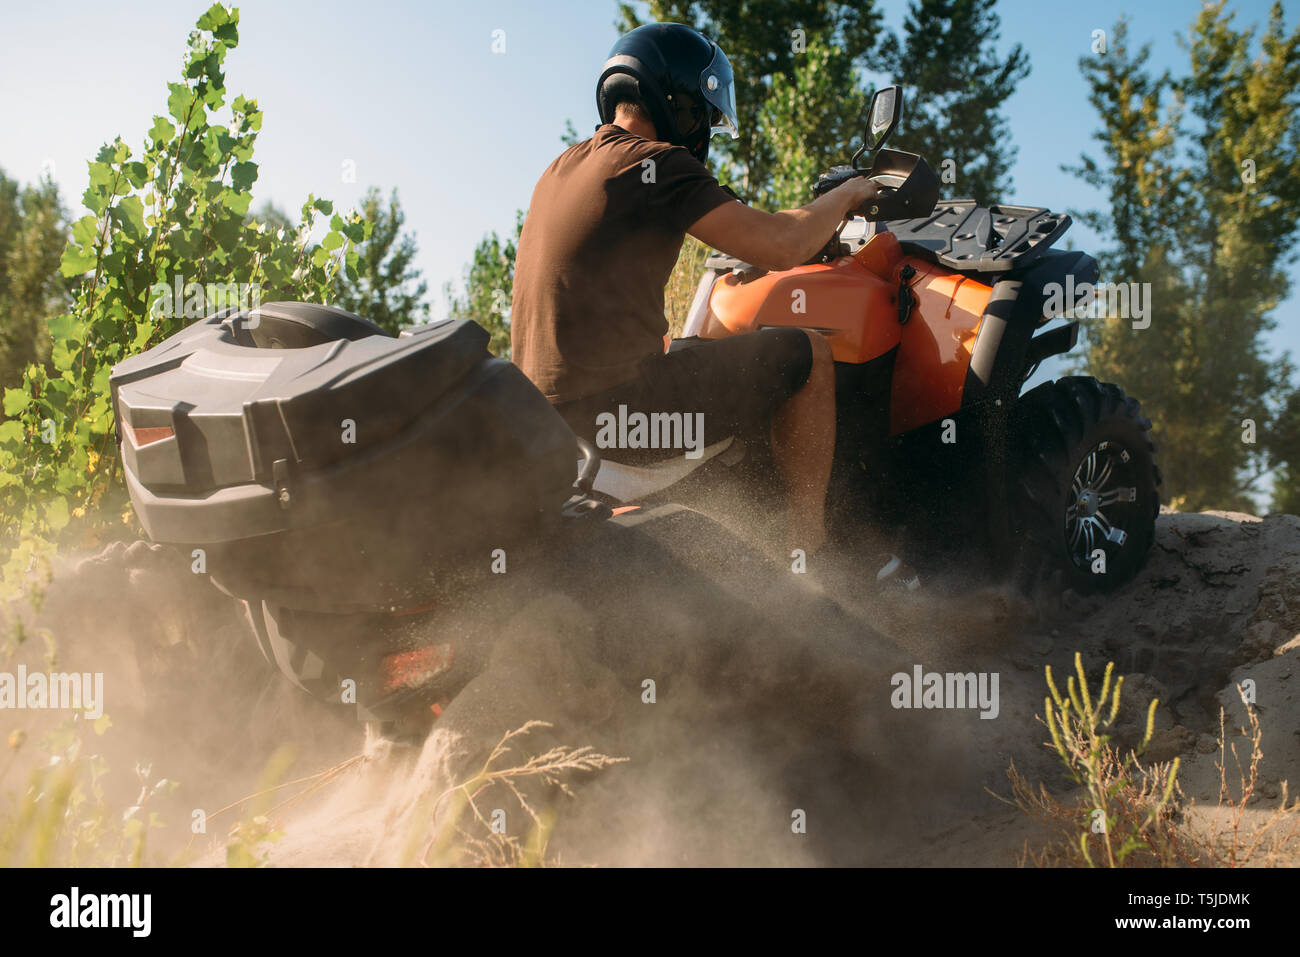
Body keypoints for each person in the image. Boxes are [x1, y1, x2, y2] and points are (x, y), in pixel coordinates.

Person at [510, 22, 878, 555]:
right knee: (810, 354)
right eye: (704, 112)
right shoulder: (655, 161)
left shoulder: (564, 167)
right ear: (678, 101)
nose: (704, 127)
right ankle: (812, 554)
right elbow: (783, 242)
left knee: (696, 350)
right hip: (622, 424)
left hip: (551, 425)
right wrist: (849, 194)